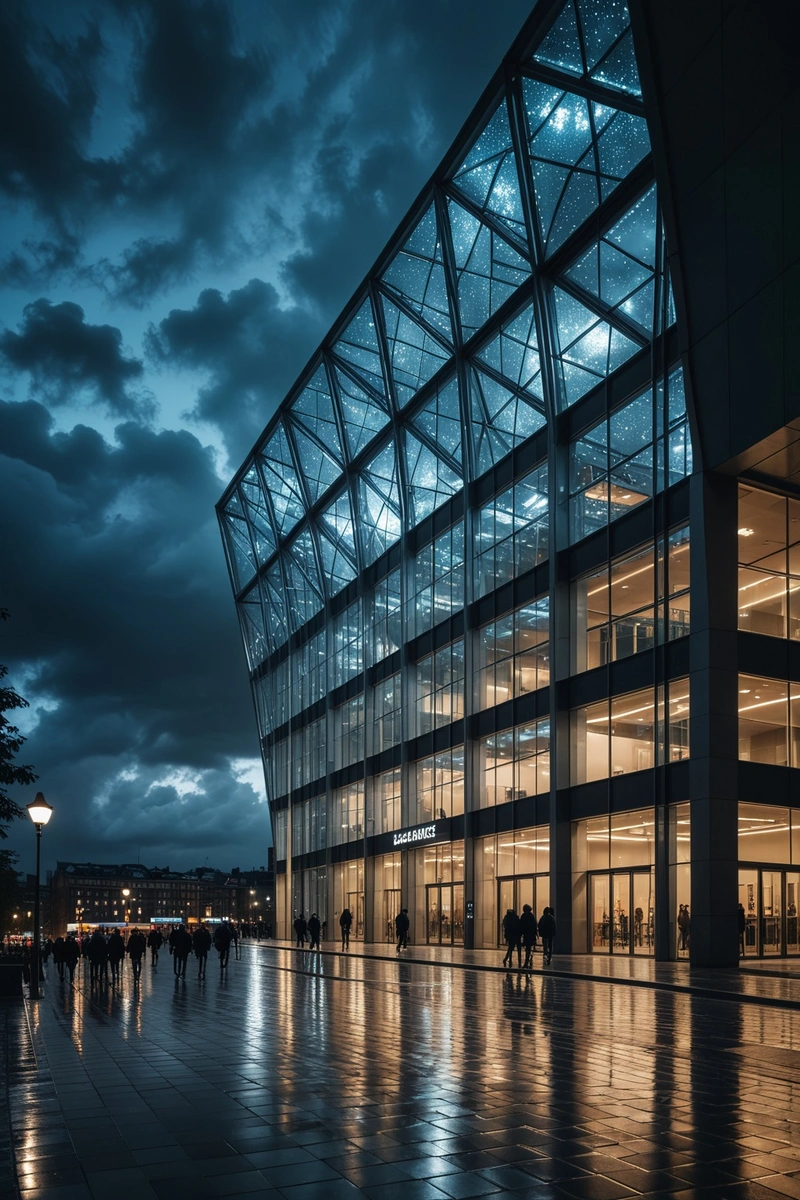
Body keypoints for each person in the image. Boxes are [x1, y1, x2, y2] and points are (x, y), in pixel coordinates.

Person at [519, 904, 537, 969]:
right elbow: (534, 925)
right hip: (531, 934)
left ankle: (526, 962)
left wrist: (520, 933)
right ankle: (529, 960)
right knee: (529, 948)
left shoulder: (524, 916)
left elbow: (521, 925)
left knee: (527, 948)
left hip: (526, 934)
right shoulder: (531, 916)